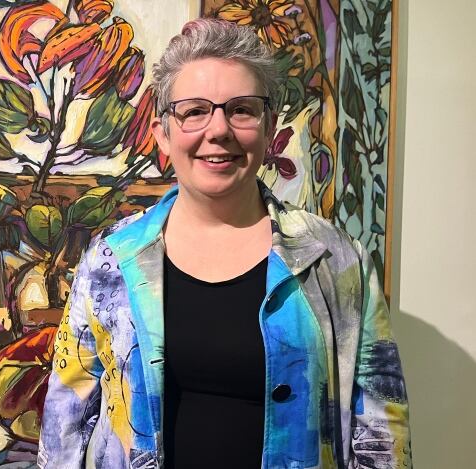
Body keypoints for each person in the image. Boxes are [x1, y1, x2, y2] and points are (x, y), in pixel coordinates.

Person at [38, 18, 411, 468]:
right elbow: (65, 423)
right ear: (163, 132)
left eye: (241, 109)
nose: (218, 130)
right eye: (194, 110)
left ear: (270, 126)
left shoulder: (335, 260)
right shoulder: (111, 260)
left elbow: (382, 429)